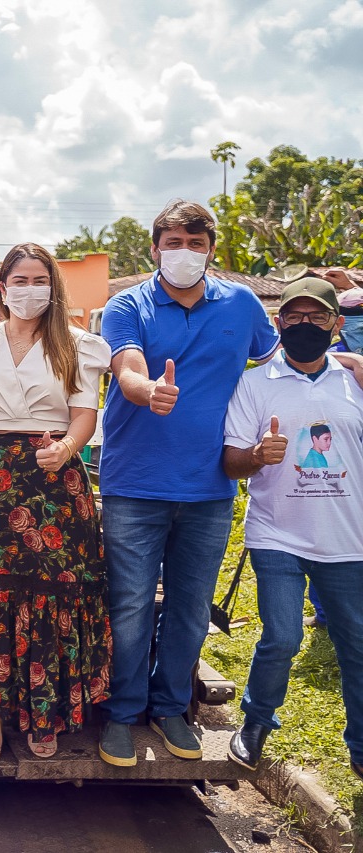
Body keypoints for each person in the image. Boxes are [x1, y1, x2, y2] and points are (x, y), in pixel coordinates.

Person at [97, 200, 280, 767]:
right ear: (155, 249)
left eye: (195, 243)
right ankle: (122, 713)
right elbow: (126, 367)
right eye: (173, 241)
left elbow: (279, 362)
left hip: (210, 488)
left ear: (210, 251)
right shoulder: (128, 304)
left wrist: (344, 364)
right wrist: (146, 389)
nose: (184, 252)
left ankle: (171, 706)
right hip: (135, 485)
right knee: (128, 606)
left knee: (190, 605)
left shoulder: (242, 304)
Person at [0, 243, 114, 762]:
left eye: (38, 279)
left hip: (57, 483)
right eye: (17, 280)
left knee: (55, 595)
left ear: (53, 286)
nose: (28, 289)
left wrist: (67, 448)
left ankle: (47, 713)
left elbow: (85, 413)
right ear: (1, 288)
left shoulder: (80, 345)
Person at [222, 277, 363, 783]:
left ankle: (361, 748)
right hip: (276, 534)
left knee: (357, 644)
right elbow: (231, 460)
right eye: (294, 317)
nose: (305, 326)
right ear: (279, 323)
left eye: (317, 318)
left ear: (336, 324)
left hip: (348, 540)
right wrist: (257, 456)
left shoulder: (355, 381)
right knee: (281, 637)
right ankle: (257, 723)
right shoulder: (255, 383)